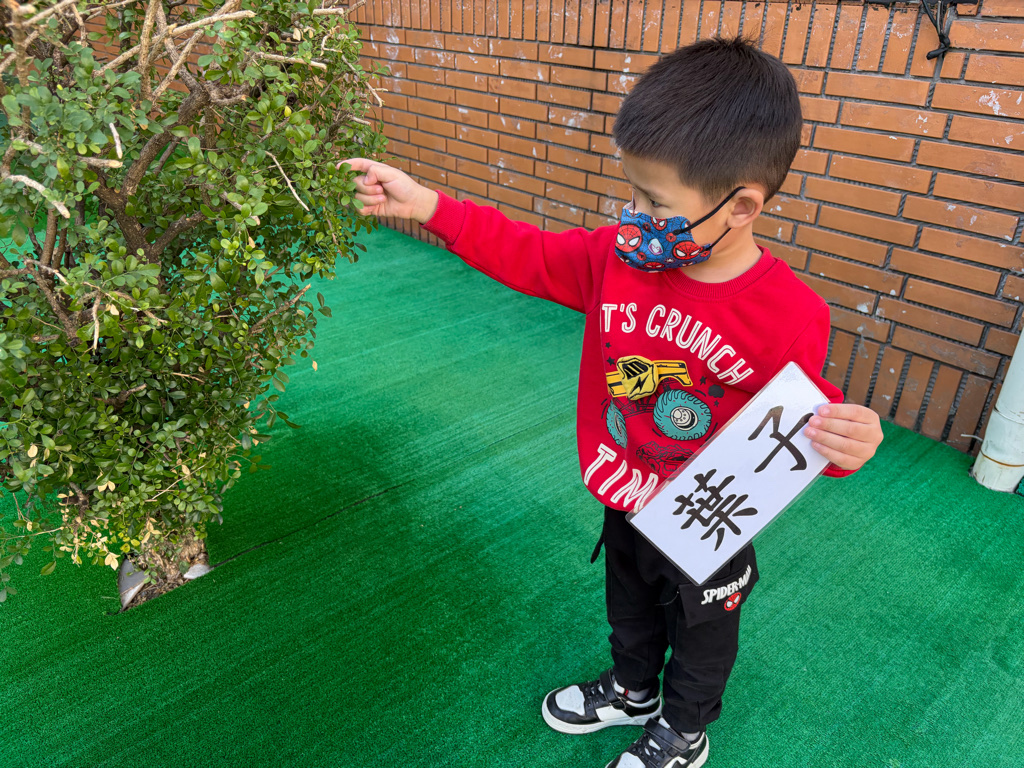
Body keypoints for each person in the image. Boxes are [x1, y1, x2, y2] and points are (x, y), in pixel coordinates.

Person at [341, 35, 883, 768]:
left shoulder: (790, 314)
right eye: (633, 193)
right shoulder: (614, 259)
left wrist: (848, 443)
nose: (634, 215)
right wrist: (429, 206)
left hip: (709, 521)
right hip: (626, 493)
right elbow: (529, 254)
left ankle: (684, 730)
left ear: (742, 206)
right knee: (627, 603)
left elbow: (808, 425)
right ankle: (633, 691)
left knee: (702, 633)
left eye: (655, 201)